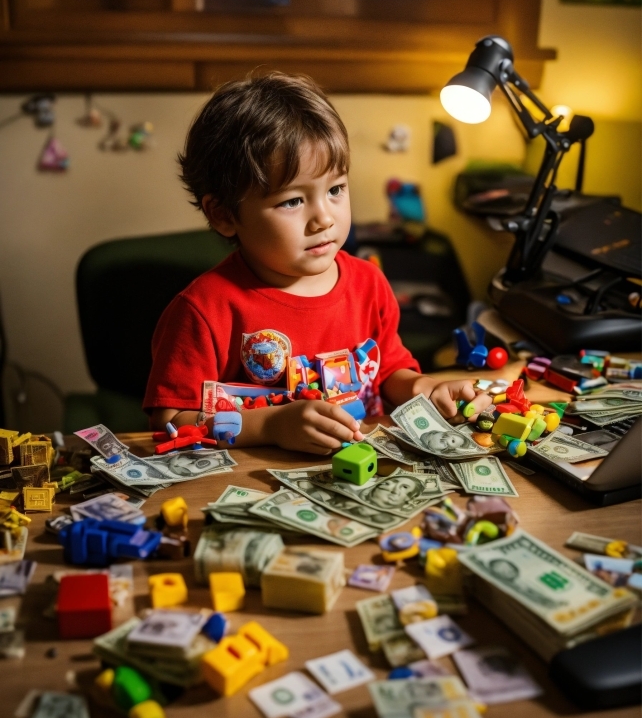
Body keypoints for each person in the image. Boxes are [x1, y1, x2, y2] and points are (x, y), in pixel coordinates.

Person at [144, 72, 491, 455]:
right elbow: (170, 421)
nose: (324, 218)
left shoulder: (369, 283)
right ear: (224, 214)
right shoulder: (202, 311)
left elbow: (388, 372)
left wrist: (427, 389)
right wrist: (271, 425)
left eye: (335, 189)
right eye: (293, 200)